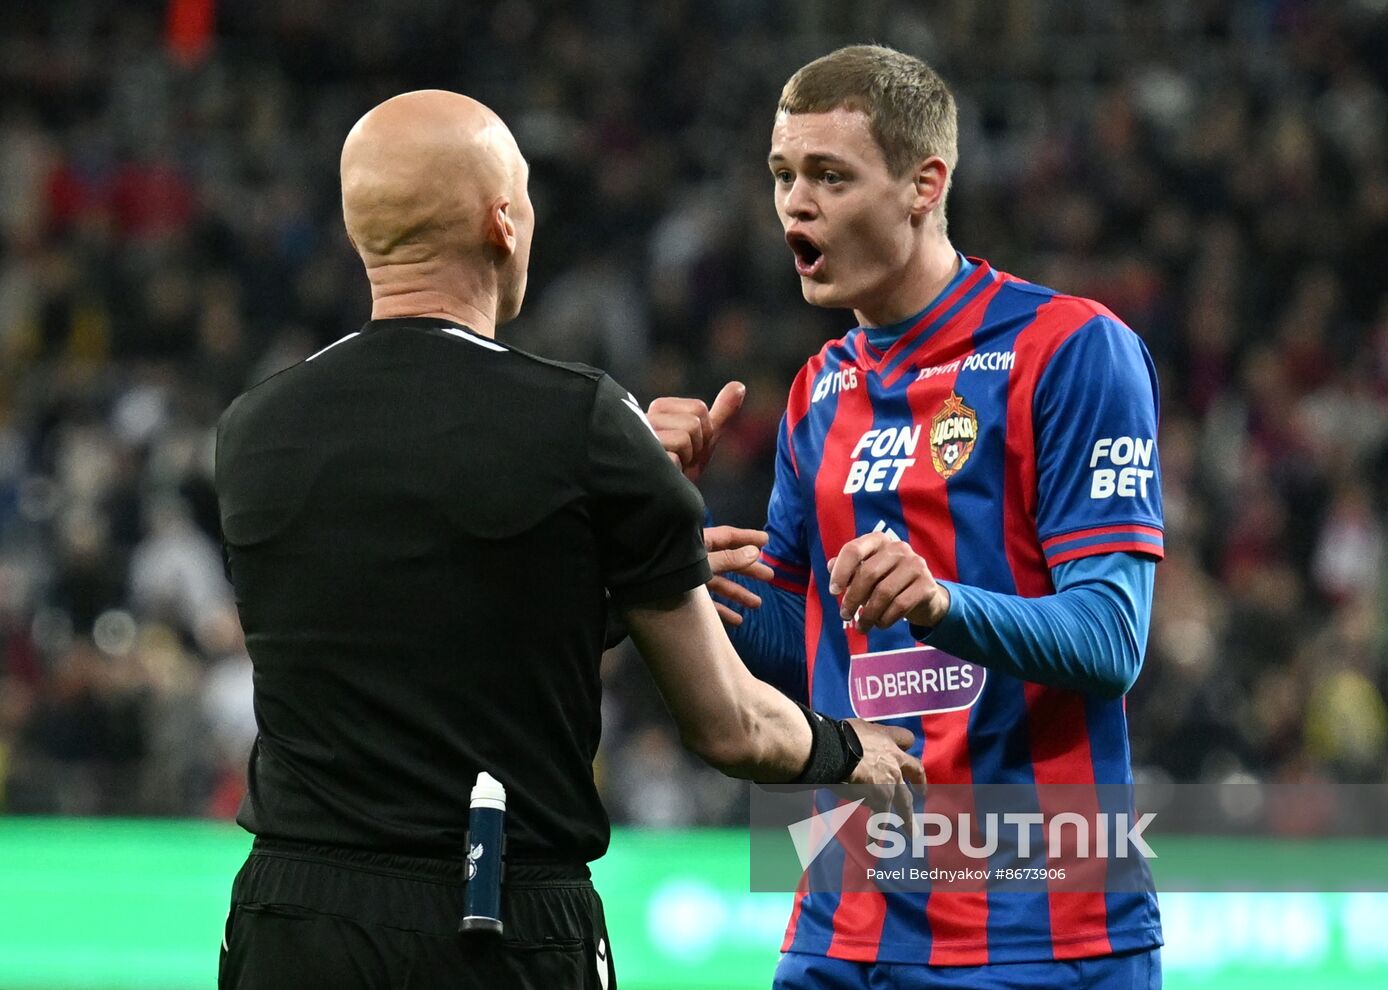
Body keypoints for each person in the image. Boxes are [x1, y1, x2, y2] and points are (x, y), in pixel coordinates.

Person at [213, 89, 922, 990]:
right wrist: (850, 748)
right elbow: (731, 728)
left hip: (288, 921)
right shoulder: (581, 420)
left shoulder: (251, 429)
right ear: (503, 223)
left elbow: (403, 626)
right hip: (494, 920)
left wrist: (599, 573)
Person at [648, 46, 1164, 989]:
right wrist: (662, 536)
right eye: (783, 175)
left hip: (1040, 930)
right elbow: (796, 647)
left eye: (830, 176)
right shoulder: (818, 390)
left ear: (925, 185)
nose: (795, 206)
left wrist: (939, 605)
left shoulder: (1071, 350)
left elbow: (1112, 637)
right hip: (842, 917)